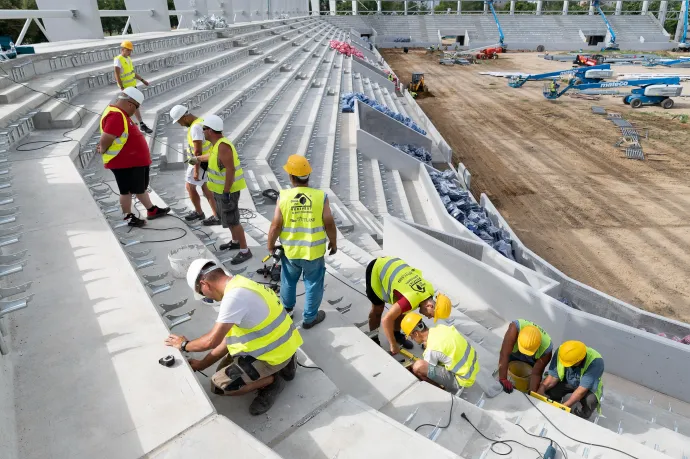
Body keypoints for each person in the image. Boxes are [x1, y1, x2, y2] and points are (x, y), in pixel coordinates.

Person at [164, 258, 303, 415]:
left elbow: (212, 341)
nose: (208, 298)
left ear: (205, 284)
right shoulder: (242, 283)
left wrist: (184, 345)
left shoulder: (234, 298)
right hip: (285, 343)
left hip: (274, 355)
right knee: (222, 371)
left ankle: (273, 381)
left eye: (203, 294)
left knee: (220, 385)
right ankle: (287, 362)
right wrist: (202, 365)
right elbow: (226, 341)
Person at [266, 155, 338, 329]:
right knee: (313, 284)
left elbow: (276, 225)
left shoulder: (283, 196)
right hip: (313, 253)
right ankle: (309, 318)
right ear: (308, 176)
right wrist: (333, 242)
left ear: (291, 176)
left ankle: (288, 310)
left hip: (291, 252)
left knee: (288, 281)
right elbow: (329, 222)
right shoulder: (321, 197)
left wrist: (270, 246)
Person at [98, 87, 170, 227]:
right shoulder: (116, 115)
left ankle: (151, 210)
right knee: (126, 191)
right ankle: (128, 216)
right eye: (136, 107)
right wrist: (102, 149)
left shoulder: (120, 114)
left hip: (134, 161)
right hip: (124, 163)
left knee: (139, 188)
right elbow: (107, 137)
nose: (136, 111)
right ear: (130, 103)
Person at [188, 114, 252, 264]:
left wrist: (226, 193)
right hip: (220, 189)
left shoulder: (223, 146)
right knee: (228, 219)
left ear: (210, 131)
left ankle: (245, 250)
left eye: (204, 129)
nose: (202, 132)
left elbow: (230, 170)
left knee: (234, 221)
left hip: (227, 190)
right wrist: (198, 159)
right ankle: (235, 242)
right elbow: (212, 156)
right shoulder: (217, 145)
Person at [365, 256, 451, 355]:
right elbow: (386, 320)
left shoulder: (429, 290)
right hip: (377, 269)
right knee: (378, 309)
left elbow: (403, 309)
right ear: (430, 306)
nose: (429, 317)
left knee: (402, 310)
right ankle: (374, 338)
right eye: (432, 315)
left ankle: (396, 334)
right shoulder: (410, 298)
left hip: (394, 267)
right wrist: (393, 345)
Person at [401, 312, 479, 393]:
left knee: (419, 366)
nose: (412, 339)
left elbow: (429, 371)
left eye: (411, 336)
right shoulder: (441, 328)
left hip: (463, 380)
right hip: (474, 366)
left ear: (416, 333)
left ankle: (441, 391)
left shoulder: (431, 350)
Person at [169, 105, 220, 225]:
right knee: (207, 189)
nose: (180, 124)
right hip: (207, 162)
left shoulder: (195, 127)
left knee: (190, 187)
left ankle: (199, 212)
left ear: (185, 117)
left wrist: (196, 170)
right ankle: (217, 215)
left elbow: (198, 151)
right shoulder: (200, 122)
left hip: (200, 163)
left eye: (180, 121)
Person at [538, 340, 604, 419]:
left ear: (580, 360)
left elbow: (581, 391)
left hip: (586, 387)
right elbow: (552, 377)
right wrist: (540, 390)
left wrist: (563, 407)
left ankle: (578, 415)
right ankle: (555, 399)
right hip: (567, 380)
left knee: (590, 401)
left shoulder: (596, 362)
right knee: (550, 389)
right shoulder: (562, 352)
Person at [497, 319, 553, 394]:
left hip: (531, 359)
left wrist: (532, 394)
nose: (525, 354)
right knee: (507, 369)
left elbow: (536, 373)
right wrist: (503, 378)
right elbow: (504, 354)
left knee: (528, 378)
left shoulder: (546, 348)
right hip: (515, 352)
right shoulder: (514, 329)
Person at [113, 40, 152, 134]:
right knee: (128, 107)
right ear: (122, 49)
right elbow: (117, 74)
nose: (130, 52)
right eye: (128, 50)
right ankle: (133, 124)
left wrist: (142, 80)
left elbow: (132, 73)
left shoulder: (128, 59)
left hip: (132, 86)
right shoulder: (118, 59)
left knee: (135, 106)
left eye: (130, 50)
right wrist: (122, 87)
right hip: (126, 88)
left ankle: (140, 124)